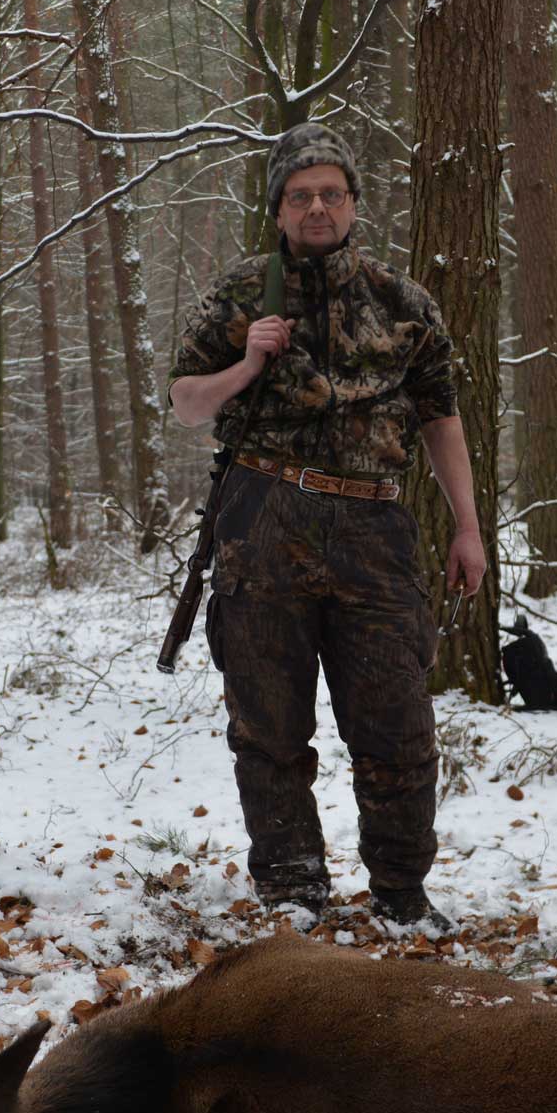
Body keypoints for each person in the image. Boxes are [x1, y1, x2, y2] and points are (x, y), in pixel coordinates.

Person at [168, 123, 487, 928]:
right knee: (268, 726)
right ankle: (293, 894)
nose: (317, 207)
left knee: (398, 726)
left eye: (331, 193)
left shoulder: (403, 302)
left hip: (374, 525)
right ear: (278, 208)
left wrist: (468, 526)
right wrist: (247, 362)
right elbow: (185, 404)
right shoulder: (242, 294)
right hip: (263, 518)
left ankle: (401, 894)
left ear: (353, 203)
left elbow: (442, 420)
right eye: (300, 195)